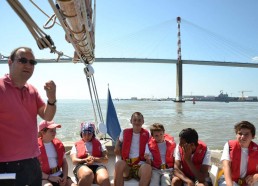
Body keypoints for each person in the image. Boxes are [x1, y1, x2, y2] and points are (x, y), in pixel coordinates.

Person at [0, 46, 56, 186]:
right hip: (6, 164)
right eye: (23, 60)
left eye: (32, 62)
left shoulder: (32, 90)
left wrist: (51, 98)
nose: (28, 65)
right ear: (10, 62)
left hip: (32, 162)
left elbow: (47, 116)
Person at [114, 112, 152, 186]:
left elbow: (153, 146)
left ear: (143, 122)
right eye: (134, 120)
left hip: (140, 166)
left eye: (139, 120)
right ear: (130, 121)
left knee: (148, 168)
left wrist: (149, 159)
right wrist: (116, 146)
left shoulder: (148, 134)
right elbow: (119, 140)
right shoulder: (124, 132)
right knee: (118, 164)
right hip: (127, 166)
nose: (137, 122)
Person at [70, 122, 110, 186]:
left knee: (105, 179)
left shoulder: (100, 144)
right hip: (82, 166)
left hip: (97, 166)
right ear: (81, 133)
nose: (86, 136)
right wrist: (85, 160)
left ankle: (95, 178)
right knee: (87, 174)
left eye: (89, 134)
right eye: (84, 134)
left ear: (93, 134)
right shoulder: (76, 145)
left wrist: (94, 159)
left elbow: (106, 159)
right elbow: (74, 160)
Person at [218, 121, 258, 186]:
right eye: (240, 133)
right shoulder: (228, 145)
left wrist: (256, 176)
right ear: (236, 135)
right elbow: (226, 166)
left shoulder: (257, 149)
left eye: (246, 134)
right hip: (231, 181)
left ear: (253, 136)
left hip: (249, 181)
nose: (242, 136)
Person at [38, 120, 76, 186]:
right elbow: (34, 171)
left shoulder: (58, 144)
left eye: (55, 130)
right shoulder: (35, 148)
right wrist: (49, 177)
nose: (54, 133)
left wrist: (64, 176)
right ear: (43, 132)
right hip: (43, 177)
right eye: (51, 131)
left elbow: (64, 163)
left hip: (59, 175)